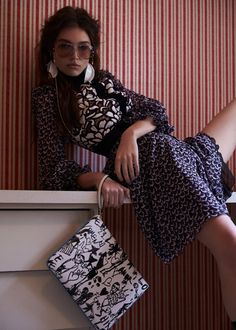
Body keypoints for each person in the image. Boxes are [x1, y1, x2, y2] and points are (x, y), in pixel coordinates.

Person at [32, 6, 236, 328]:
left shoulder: (107, 82)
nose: (75, 55)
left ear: (92, 51)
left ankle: (197, 161)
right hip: (150, 167)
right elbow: (51, 169)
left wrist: (131, 132)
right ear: (51, 51)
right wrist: (98, 178)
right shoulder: (47, 98)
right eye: (64, 46)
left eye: (83, 47)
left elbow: (156, 110)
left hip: (171, 150)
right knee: (231, 246)